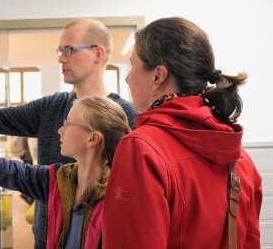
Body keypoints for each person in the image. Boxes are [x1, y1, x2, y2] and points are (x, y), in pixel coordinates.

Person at [0, 18, 137, 248]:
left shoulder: (126, 117)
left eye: (68, 50)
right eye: (60, 50)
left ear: (97, 54)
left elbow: (136, 189)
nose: (60, 57)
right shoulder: (52, 166)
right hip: (47, 236)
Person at [102, 17, 262, 248]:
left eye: (132, 65)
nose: (127, 77)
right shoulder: (241, 159)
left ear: (158, 76)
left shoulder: (141, 148)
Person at [0, 96, 131, 249]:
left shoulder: (121, 200)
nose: (60, 130)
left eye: (69, 124)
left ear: (93, 139)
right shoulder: (56, 181)